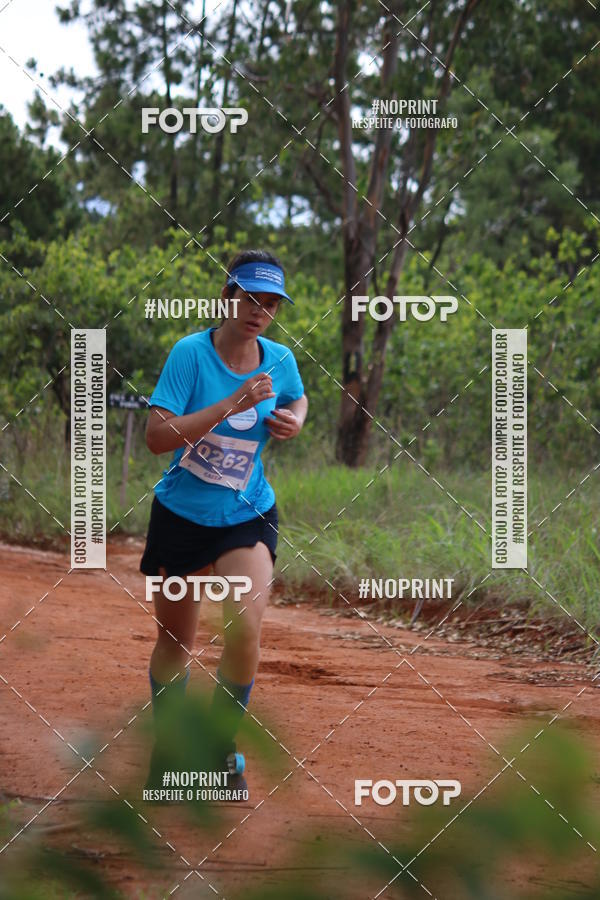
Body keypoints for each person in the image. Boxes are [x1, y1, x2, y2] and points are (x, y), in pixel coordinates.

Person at [140, 249, 308, 797]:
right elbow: (157, 437)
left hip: (246, 512)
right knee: (176, 639)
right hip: (181, 516)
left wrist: (292, 422)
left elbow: (299, 398)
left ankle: (216, 750)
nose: (259, 310)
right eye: (250, 297)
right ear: (227, 296)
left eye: (270, 302)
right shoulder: (189, 354)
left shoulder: (279, 359)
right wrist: (232, 401)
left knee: (245, 628)